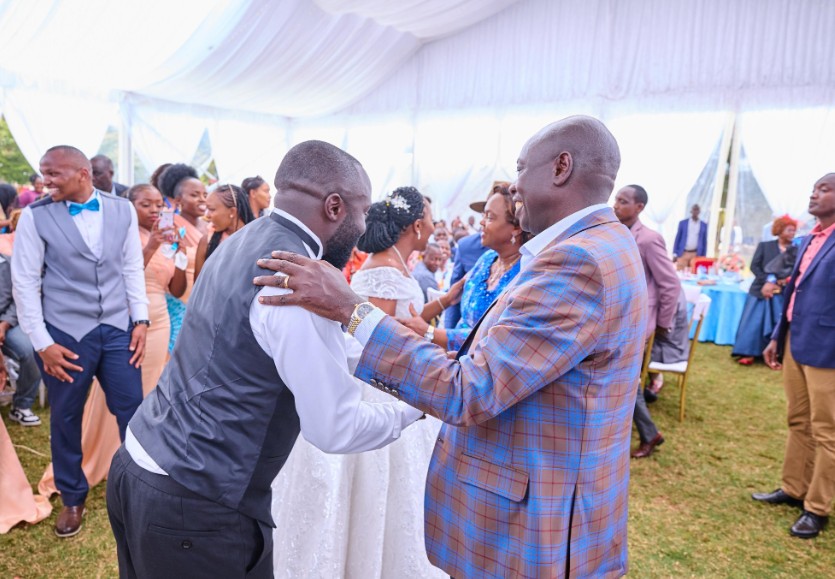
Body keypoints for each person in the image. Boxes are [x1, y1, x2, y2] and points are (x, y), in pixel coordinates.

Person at [255, 116, 648, 577]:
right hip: (553, 503)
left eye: (522, 168)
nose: (515, 186)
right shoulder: (604, 243)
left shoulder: (576, 260)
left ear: (562, 167)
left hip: (533, 524)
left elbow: (471, 388)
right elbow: (513, 350)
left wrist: (353, 310)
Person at [106, 140, 425, 578]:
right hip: (195, 505)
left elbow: (318, 346)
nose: (363, 226)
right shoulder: (294, 281)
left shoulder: (243, 240)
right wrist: (414, 409)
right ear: (334, 206)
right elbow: (335, 427)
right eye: (361, 211)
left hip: (136, 463)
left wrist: (398, 356)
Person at [272, 186, 446, 578]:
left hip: (386, 376)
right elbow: (373, 340)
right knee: (374, 488)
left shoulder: (391, 266)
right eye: (432, 218)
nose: (434, 225)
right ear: (417, 225)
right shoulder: (385, 272)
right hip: (380, 386)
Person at [11, 145, 148, 538]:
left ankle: (138, 490)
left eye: (53, 174)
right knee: (67, 417)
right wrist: (41, 343)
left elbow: (131, 267)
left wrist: (139, 319)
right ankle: (73, 497)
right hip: (66, 335)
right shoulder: (36, 217)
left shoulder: (121, 209)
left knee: (132, 411)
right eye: (43, 173)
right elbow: (24, 282)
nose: (45, 181)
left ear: (82, 174)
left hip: (119, 328)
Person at [38, 184, 188, 500]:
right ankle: (108, 458)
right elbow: (118, 279)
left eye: (158, 204)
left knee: (152, 394)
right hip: (126, 322)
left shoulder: (164, 238)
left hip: (159, 321)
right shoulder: (117, 235)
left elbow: (175, 288)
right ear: (128, 206)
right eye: (146, 204)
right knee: (125, 399)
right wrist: (150, 248)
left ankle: (144, 460)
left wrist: (181, 255)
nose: (154, 210)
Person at [754, 172, 835, 539]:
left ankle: (817, 508)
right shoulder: (809, 239)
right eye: (814, 187)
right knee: (797, 419)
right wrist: (776, 337)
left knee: (827, 431)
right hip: (794, 342)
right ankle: (792, 488)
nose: (814, 194)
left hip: (828, 351)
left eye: (824, 188)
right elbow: (793, 294)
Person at [399, 183, 528, 351]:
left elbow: (499, 338)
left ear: (516, 227)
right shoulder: (487, 259)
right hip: (454, 357)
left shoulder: (525, 271)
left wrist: (431, 333)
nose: (481, 222)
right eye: (483, 215)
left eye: (489, 217)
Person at [613, 184, 685, 458]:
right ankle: (647, 432)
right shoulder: (615, 234)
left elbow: (670, 284)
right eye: (616, 199)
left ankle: (648, 433)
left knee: (627, 381)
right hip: (617, 320)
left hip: (641, 324)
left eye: (623, 201)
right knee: (628, 381)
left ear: (639, 207)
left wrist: (663, 323)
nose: (616, 205)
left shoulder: (649, 239)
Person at [732, 216, 797, 365]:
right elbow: (755, 266)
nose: (792, 233)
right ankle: (748, 352)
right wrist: (768, 280)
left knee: (777, 323)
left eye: (794, 230)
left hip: (781, 293)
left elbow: (796, 269)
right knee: (753, 323)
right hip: (760, 290)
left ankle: (776, 354)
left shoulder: (796, 249)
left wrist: (784, 280)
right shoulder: (765, 246)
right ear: (779, 230)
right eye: (789, 230)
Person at [158, 164, 208, 351]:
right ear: (178, 200)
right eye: (194, 195)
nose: (202, 199)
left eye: (204, 194)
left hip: (204, 300)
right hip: (176, 300)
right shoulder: (168, 223)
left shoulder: (210, 225)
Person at [0, 253, 42, 426]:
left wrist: (4, 325)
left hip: (6, 322)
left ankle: (21, 406)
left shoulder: (8, 262)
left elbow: (17, 299)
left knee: (32, 348)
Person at [193, 184, 256, 281]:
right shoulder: (207, 242)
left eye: (212, 209)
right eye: (207, 209)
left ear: (232, 212)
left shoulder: (257, 239)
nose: (207, 215)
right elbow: (198, 287)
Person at [673, 203, 708, 270]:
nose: (695, 211)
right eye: (694, 210)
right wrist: (675, 253)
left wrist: (703, 256)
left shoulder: (703, 225)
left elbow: (704, 241)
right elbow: (678, 238)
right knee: (680, 273)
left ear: (699, 212)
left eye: (697, 210)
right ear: (691, 211)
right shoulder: (683, 223)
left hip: (696, 254)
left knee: (694, 273)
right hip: (683, 253)